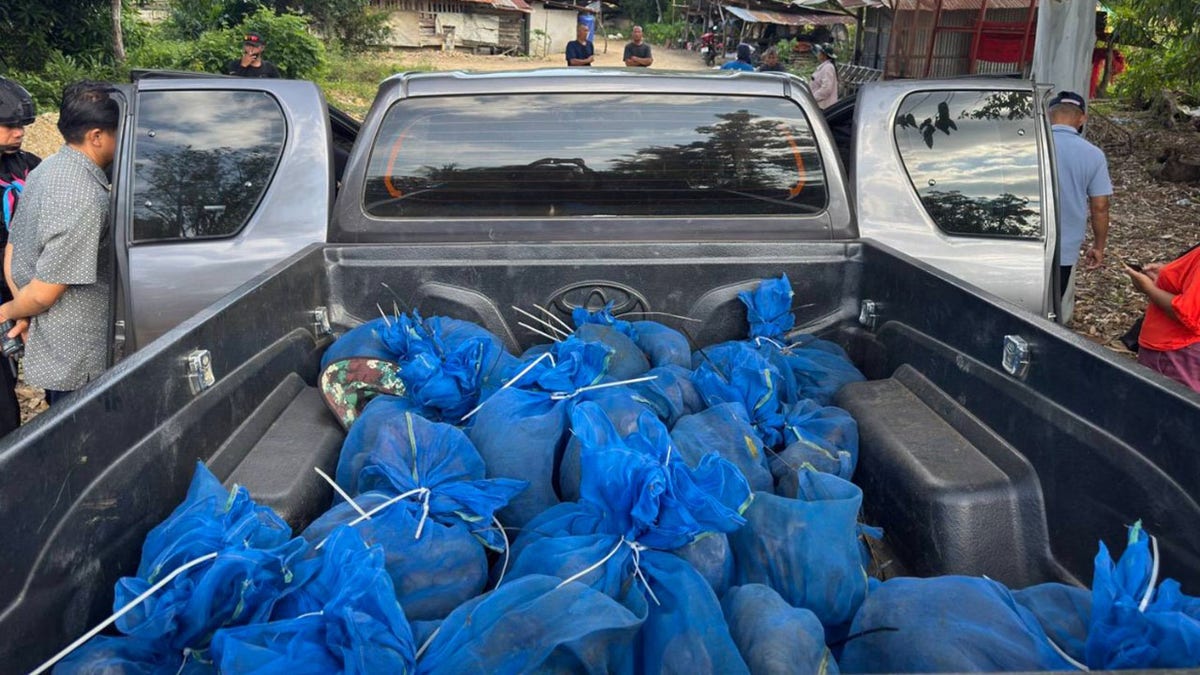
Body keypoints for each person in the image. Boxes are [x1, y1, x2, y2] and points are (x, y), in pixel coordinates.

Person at [0, 81, 120, 405]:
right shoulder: (83, 197)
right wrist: (10, 311)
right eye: (117, 132)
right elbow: (43, 294)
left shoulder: (47, 168)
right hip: (78, 362)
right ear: (96, 136)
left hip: (59, 350)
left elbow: (13, 250)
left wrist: (22, 306)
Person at [0, 77, 40, 433]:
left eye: (22, 126)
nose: (19, 133)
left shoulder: (28, 166)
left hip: (25, 288)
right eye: (10, 125)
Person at [1049, 90, 1111, 299]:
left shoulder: (1029, 147)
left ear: (1049, 114)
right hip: (1063, 246)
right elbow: (1100, 207)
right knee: (1050, 306)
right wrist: (1098, 246)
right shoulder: (1093, 154)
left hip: (1023, 241)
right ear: (1082, 118)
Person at [1123, 246, 1200, 393]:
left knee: (1165, 405)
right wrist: (1170, 275)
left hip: (1174, 352)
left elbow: (1186, 313)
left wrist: (1149, 289)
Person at [810, 43, 838, 109]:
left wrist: (813, 98)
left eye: (819, 52)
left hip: (825, 106)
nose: (818, 54)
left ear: (824, 55)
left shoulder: (828, 68)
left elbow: (826, 89)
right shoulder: (824, 67)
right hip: (820, 105)